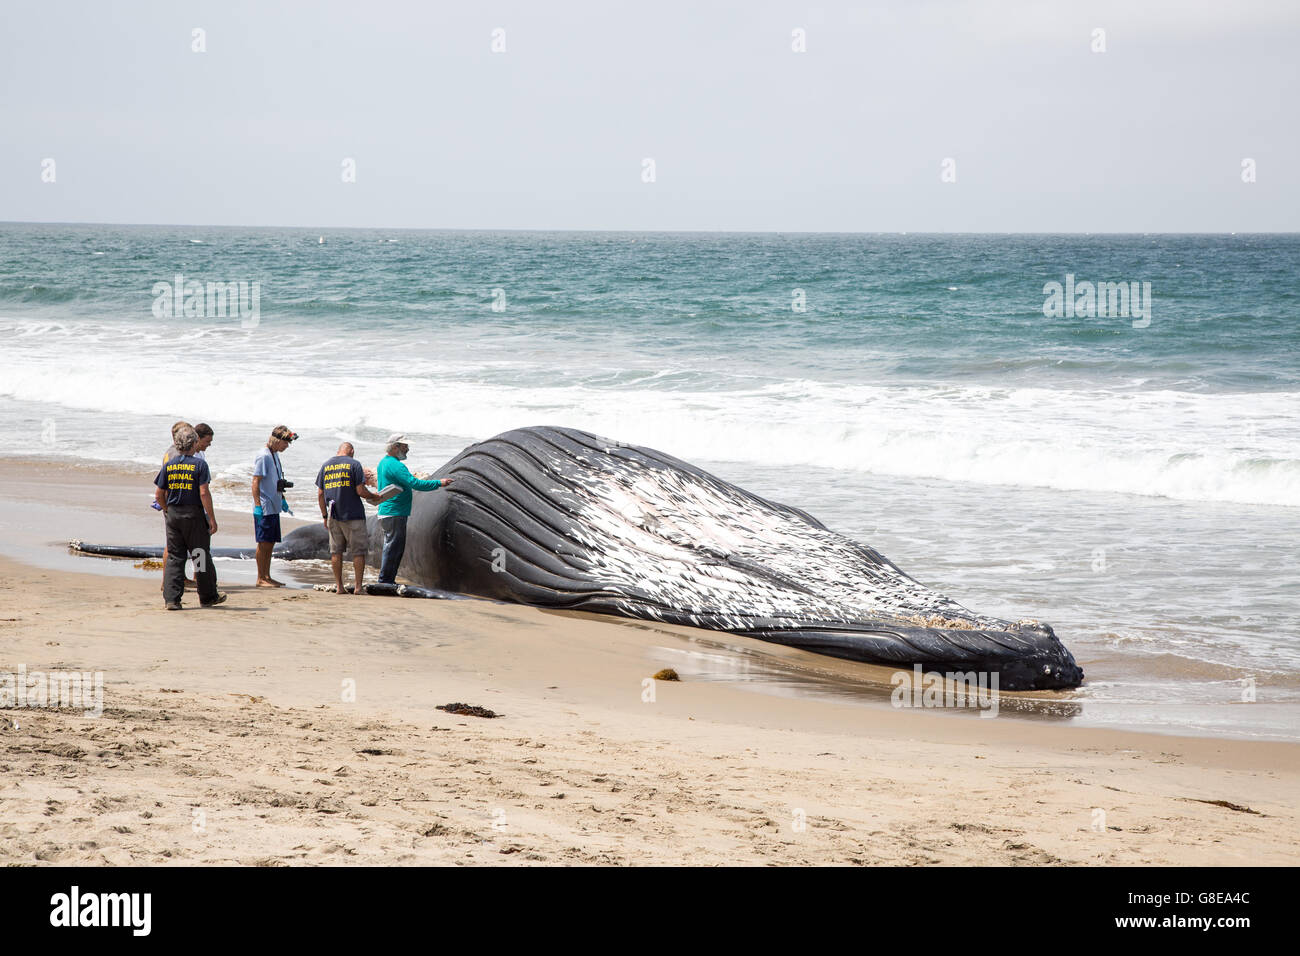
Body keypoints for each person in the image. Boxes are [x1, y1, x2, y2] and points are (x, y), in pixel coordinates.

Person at [154, 425, 225, 610]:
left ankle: (172, 599)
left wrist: (167, 510)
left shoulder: (170, 465)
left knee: (175, 557)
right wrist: (211, 517)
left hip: (174, 515)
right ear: (193, 443)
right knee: (200, 555)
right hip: (193, 515)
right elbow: (204, 492)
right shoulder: (199, 465)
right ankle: (207, 596)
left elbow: (159, 493)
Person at [376, 434, 452, 584]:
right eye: (405, 446)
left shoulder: (384, 462)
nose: (408, 449)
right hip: (395, 512)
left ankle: (387, 580)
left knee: (393, 547)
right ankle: (385, 581)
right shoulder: (396, 465)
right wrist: (439, 483)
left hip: (388, 511)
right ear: (395, 446)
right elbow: (415, 484)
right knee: (393, 548)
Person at [315, 442, 383, 595]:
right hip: (353, 515)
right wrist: (374, 496)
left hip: (333, 514)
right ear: (351, 451)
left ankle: (339, 587)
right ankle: (358, 588)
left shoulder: (326, 465)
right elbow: (360, 490)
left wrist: (325, 516)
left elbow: (320, 493)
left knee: (336, 552)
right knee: (358, 552)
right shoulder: (354, 464)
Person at [251, 425, 297, 588]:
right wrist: (257, 506)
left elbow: (276, 480)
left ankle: (267, 575)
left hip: (274, 504)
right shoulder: (263, 456)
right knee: (263, 542)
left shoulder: (275, 455)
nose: (287, 446)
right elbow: (256, 481)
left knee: (270, 542)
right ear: (277, 441)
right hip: (264, 506)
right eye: (285, 443)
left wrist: (282, 499)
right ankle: (260, 577)